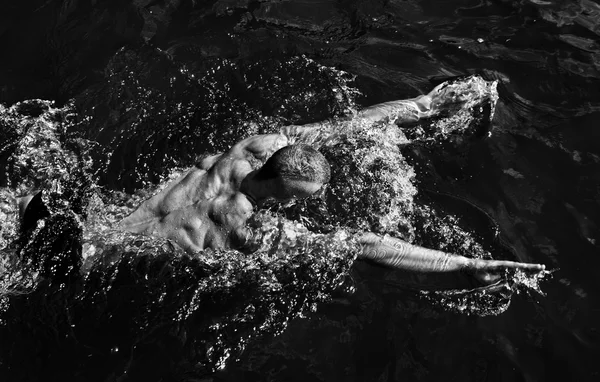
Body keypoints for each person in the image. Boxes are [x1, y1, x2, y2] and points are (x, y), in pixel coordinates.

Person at [113, 76, 545, 283]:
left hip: (109, 224)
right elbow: (363, 244)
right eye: (294, 200)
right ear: (279, 191)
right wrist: (466, 265)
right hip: (109, 263)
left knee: (103, 232)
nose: (296, 208)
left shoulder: (251, 150)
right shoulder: (243, 229)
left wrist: (423, 105)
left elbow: (345, 125)